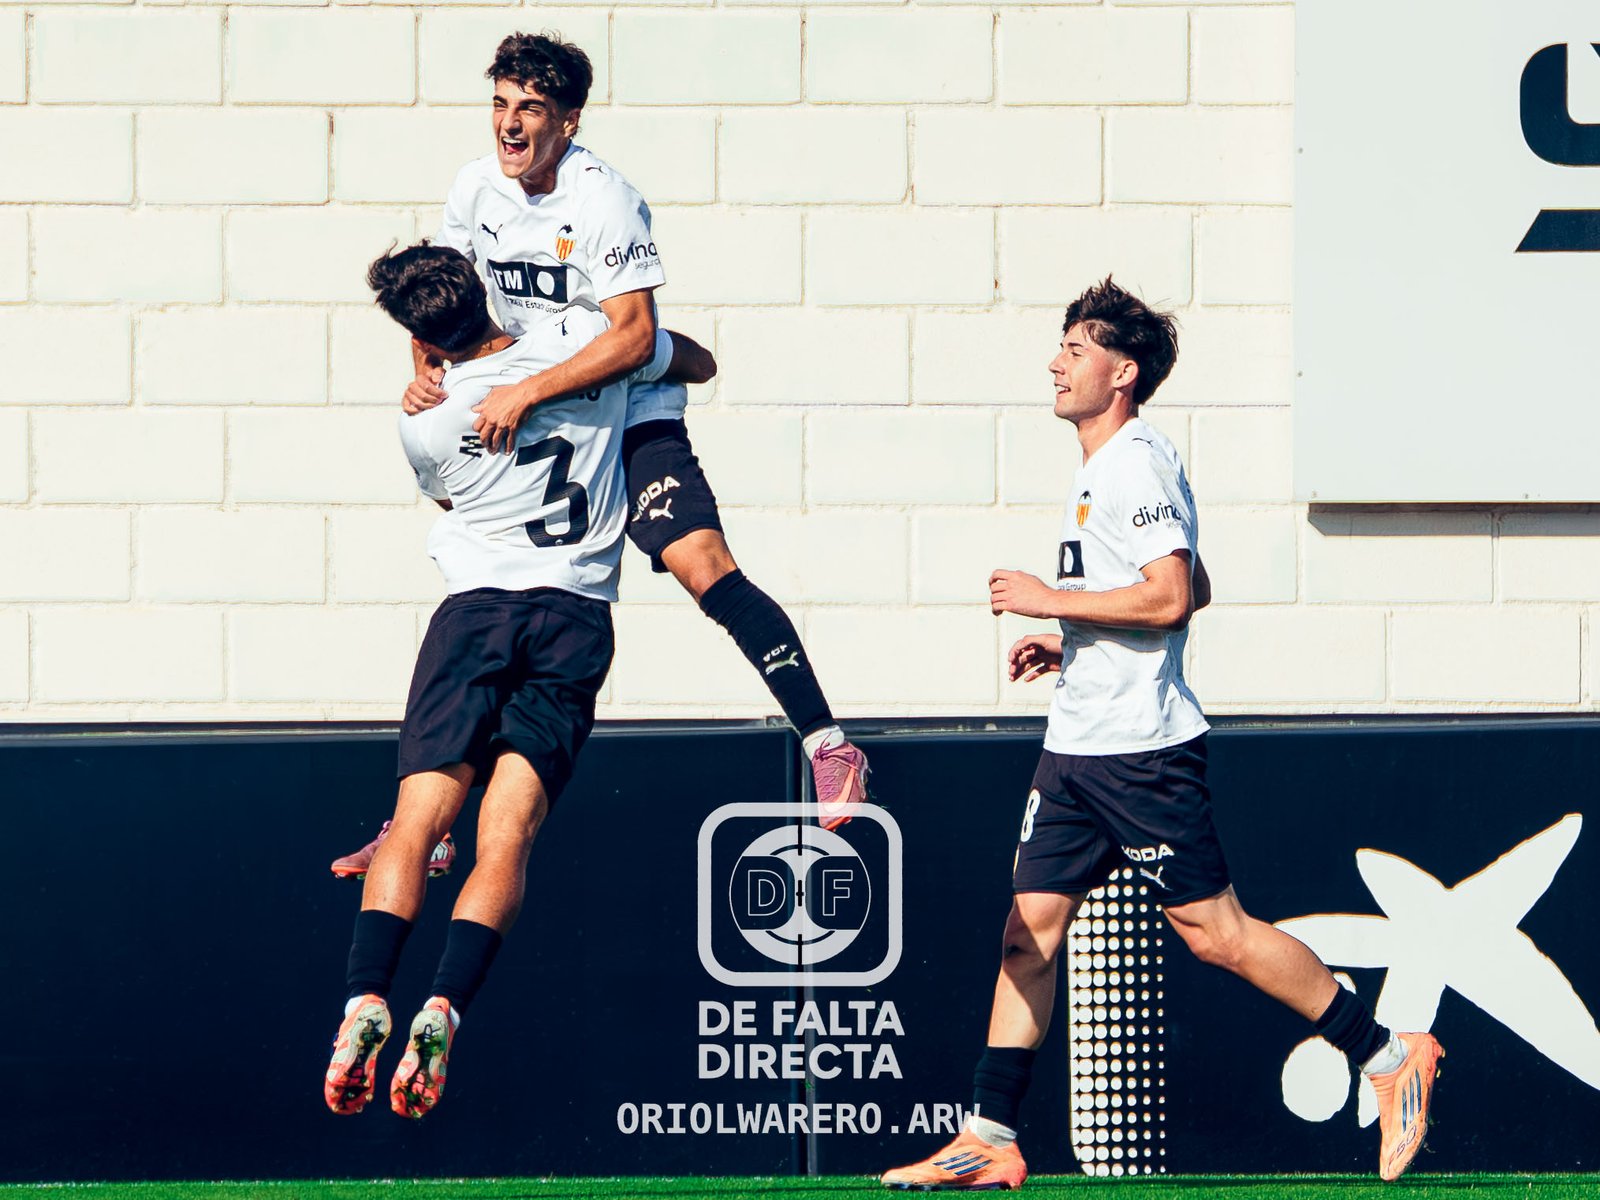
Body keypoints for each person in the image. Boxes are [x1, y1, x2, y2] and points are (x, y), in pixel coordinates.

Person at [880, 279, 1442, 1188]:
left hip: (1139, 752)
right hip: (1077, 747)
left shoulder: (1135, 459)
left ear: (1123, 371)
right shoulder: (1103, 468)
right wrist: (1073, 646)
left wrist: (1049, 598)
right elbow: (1191, 586)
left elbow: (1173, 595)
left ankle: (1387, 1055)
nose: (1056, 363)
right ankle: (989, 1134)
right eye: (1059, 346)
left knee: (1216, 934)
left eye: (1077, 348)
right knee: (1028, 932)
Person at [333, 33, 864, 881]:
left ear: (567, 122)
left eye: (529, 111)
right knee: (490, 584)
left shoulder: (606, 199)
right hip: (527, 393)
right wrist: (427, 370)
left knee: (700, 564)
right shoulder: (475, 186)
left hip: (617, 396)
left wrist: (532, 390)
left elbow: (636, 339)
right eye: (500, 104)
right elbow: (441, 292)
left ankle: (831, 746)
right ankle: (422, 825)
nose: (509, 126)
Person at [323, 242, 715, 1119]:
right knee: (506, 839)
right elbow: (693, 359)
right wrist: (619, 360)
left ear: (419, 338)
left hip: (475, 616)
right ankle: (445, 1008)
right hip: (574, 618)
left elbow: (448, 501)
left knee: (420, 821)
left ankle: (366, 1000)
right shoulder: (585, 338)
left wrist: (429, 371)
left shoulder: (424, 419)